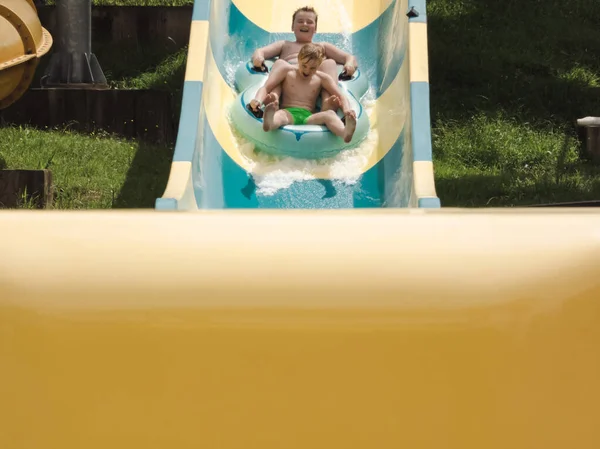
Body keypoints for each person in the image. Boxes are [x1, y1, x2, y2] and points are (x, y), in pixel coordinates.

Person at [249, 6, 358, 113]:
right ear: (292, 27)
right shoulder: (285, 45)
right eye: (300, 21)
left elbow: (348, 57)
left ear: (315, 28)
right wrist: (258, 57)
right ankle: (273, 99)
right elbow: (261, 51)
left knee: (329, 63)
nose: (305, 24)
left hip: (313, 79)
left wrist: (349, 64)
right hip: (289, 78)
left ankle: (328, 102)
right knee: (280, 64)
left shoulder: (322, 46)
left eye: (309, 22)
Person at [256, 43, 357, 144]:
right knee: (280, 115)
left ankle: (345, 133)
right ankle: (270, 123)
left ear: (319, 64)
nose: (307, 70)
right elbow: (266, 87)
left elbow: (341, 96)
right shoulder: (287, 71)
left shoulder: (322, 78)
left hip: (309, 116)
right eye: (304, 65)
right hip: (288, 112)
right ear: (299, 59)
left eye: (313, 68)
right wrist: (257, 102)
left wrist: (347, 111)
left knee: (330, 114)